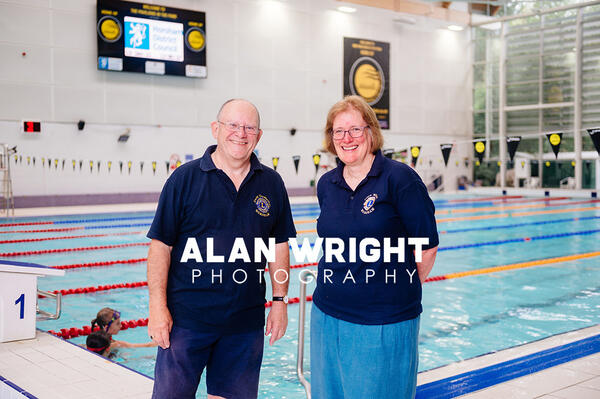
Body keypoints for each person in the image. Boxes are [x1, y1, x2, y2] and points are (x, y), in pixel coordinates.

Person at [147, 99, 296, 399]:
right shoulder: (184, 179)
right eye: (233, 125)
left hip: (244, 324)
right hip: (186, 321)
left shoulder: (272, 182)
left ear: (259, 135)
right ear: (216, 129)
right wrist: (156, 307)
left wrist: (279, 301)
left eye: (249, 127)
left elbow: (279, 246)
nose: (241, 133)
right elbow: (161, 246)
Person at [310, 95, 439, 399]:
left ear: (371, 132)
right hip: (327, 313)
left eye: (355, 129)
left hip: (383, 319)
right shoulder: (327, 184)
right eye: (339, 131)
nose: (347, 138)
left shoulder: (400, 179)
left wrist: (393, 285)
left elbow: (427, 247)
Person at [90, 307, 157, 353]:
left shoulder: (94, 339)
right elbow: (144, 346)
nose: (121, 326)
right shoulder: (115, 344)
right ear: (106, 327)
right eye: (117, 324)